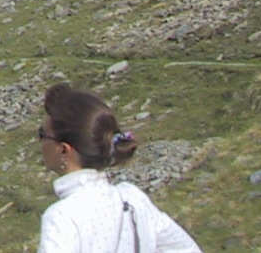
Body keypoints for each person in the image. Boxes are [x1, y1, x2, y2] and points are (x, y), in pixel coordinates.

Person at [38, 84, 203, 253]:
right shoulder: (132, 198)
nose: (40, 142)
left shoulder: (62, 217)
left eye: (42, 134)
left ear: (64, 150)